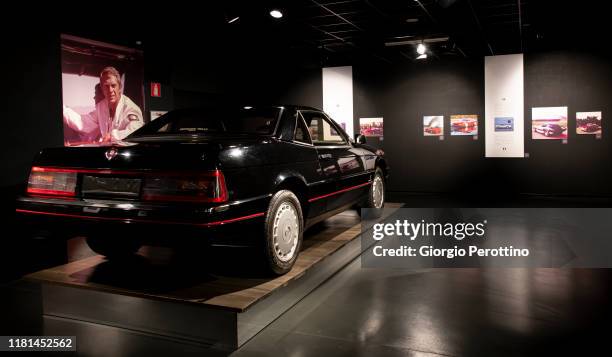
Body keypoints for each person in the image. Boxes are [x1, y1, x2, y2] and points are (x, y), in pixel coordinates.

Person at [63, 67, 144, 143]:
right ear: (102, 88)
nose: (110, 90)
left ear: (120, 87)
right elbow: (82, 122)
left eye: (113, 85)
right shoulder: (101, 107)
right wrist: (63, 109)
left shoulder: (130, 108)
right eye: (106, 86)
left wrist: (113, 136)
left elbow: (137, 131)